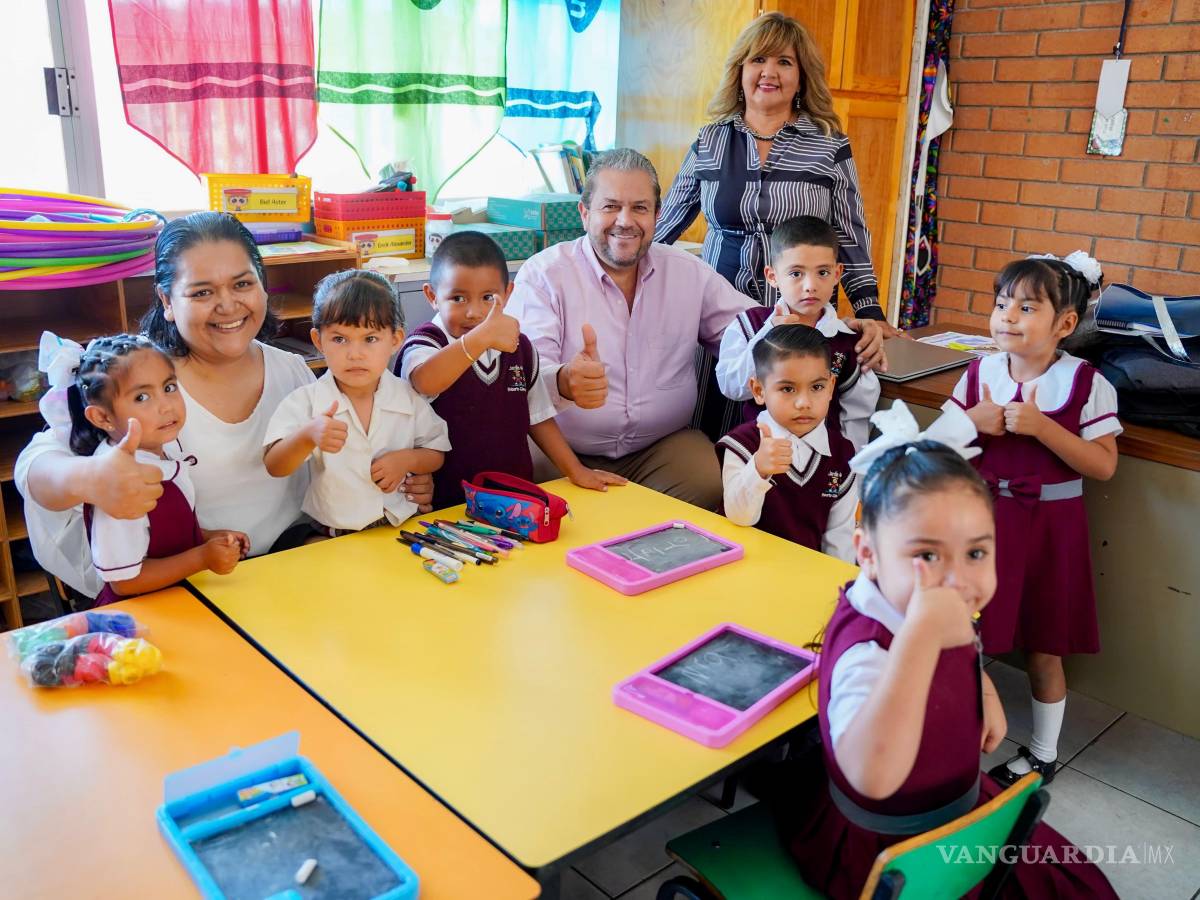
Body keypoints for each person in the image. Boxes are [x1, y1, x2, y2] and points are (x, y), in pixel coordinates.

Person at [783, 401, 1117, 899]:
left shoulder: (928, 596)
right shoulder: (868, 653)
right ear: (867, 555)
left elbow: (958, 641)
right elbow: (871, 776)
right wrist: (919, 638)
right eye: (927, 555)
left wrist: (979, 686)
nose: (958, 578)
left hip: (953, 803)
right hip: (888, 856)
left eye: (977, 552)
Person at [15, 212, 437, 600]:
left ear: (262, 284)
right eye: (201, 291)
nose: (228, 305)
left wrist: (403, 483)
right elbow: (36, 465)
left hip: (290, 567)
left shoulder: (293, 370)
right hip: (186, 588)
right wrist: (90, 476)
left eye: (242, 284)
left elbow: (340, 455)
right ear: (166, 300)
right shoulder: (142, 385)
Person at [509, 148, 881, 511]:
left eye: (639, 208)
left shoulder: (687, 272)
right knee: (539, 509)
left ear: (656, 215)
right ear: (585, 212)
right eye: (610, 206)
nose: (625, 220)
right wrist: (564, 381)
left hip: (661, 448)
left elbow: (763, 328)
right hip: (562, 446)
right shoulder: (544, 275)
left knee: (714, 485)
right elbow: (523, 377)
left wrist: (840, 326)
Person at [945, 252, 1119, 787]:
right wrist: (972, 423)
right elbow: (941, 449)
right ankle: (955, 738)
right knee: (962, 635)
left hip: (1051, 533)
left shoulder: (1087, 383)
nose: (1008, 318)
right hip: (984, 526)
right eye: (1001, 305)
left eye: (1026, 307)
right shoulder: (979, 373)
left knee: (1046, 645)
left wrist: (1043, 427)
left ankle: (1043, 753)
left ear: (1065, 325)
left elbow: (1104, 465)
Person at [655, 12, 891, 328]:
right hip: (721, 321)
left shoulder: (829, 144)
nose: (769, 72)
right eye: (758, 59)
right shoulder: (709, 141)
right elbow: (663, 227)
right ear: (740, 70)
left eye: (784, 62)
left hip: (802, 323)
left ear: (802, 76)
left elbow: (850, 236)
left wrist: (869, 311)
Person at [397, 232, 625, 510]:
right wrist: (479, 340)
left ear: (508, 294)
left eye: (488, 298)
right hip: (444, 503)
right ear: (432, 296)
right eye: (458, 298)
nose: (474, 312)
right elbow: (425, 382)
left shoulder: (521, 348)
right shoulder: (426, 342)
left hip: (511, 501)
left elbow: (538, 416)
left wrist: (575, 470)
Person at [65, 334, 247, 604]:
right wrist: (202, 557)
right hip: (141, 615)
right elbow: (125, 582)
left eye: (170, 388)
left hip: (180, 599)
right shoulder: (120, 485)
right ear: (102, 417)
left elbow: (160, 537)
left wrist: (210, 540)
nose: (166, 405)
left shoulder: (164, 452)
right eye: (141, 397)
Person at [264, 270, 449, 535]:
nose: (355, 354)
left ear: (395, 340)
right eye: (339, 339)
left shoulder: (407, 396)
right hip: (333, 533)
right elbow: (275, 465)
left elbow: (436, 451)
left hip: (398, 524)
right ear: (319, 341)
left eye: (370, 339)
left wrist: (407, 460)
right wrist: (307, 436)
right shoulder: (307, 401)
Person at [716, 216, 882, 450]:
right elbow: (731, 386)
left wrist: (849, 468)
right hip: (759, 458)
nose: (810, 285)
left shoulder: (849, 342)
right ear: (773, 276)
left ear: (837, 274)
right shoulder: (750, 324)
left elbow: (856, 417)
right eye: (796, 273)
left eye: (822, 272)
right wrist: (769, 331)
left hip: (823, 466)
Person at [717, 325, 856, 562]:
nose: (803, 402)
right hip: (743, 571)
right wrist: (758, 470)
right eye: (787, 389)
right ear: (759, 391)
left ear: (831, 387)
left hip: (807, 579)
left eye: (817, 387)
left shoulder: (842, 455)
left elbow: (839, 542)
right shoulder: (743, 444)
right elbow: (739, 516)